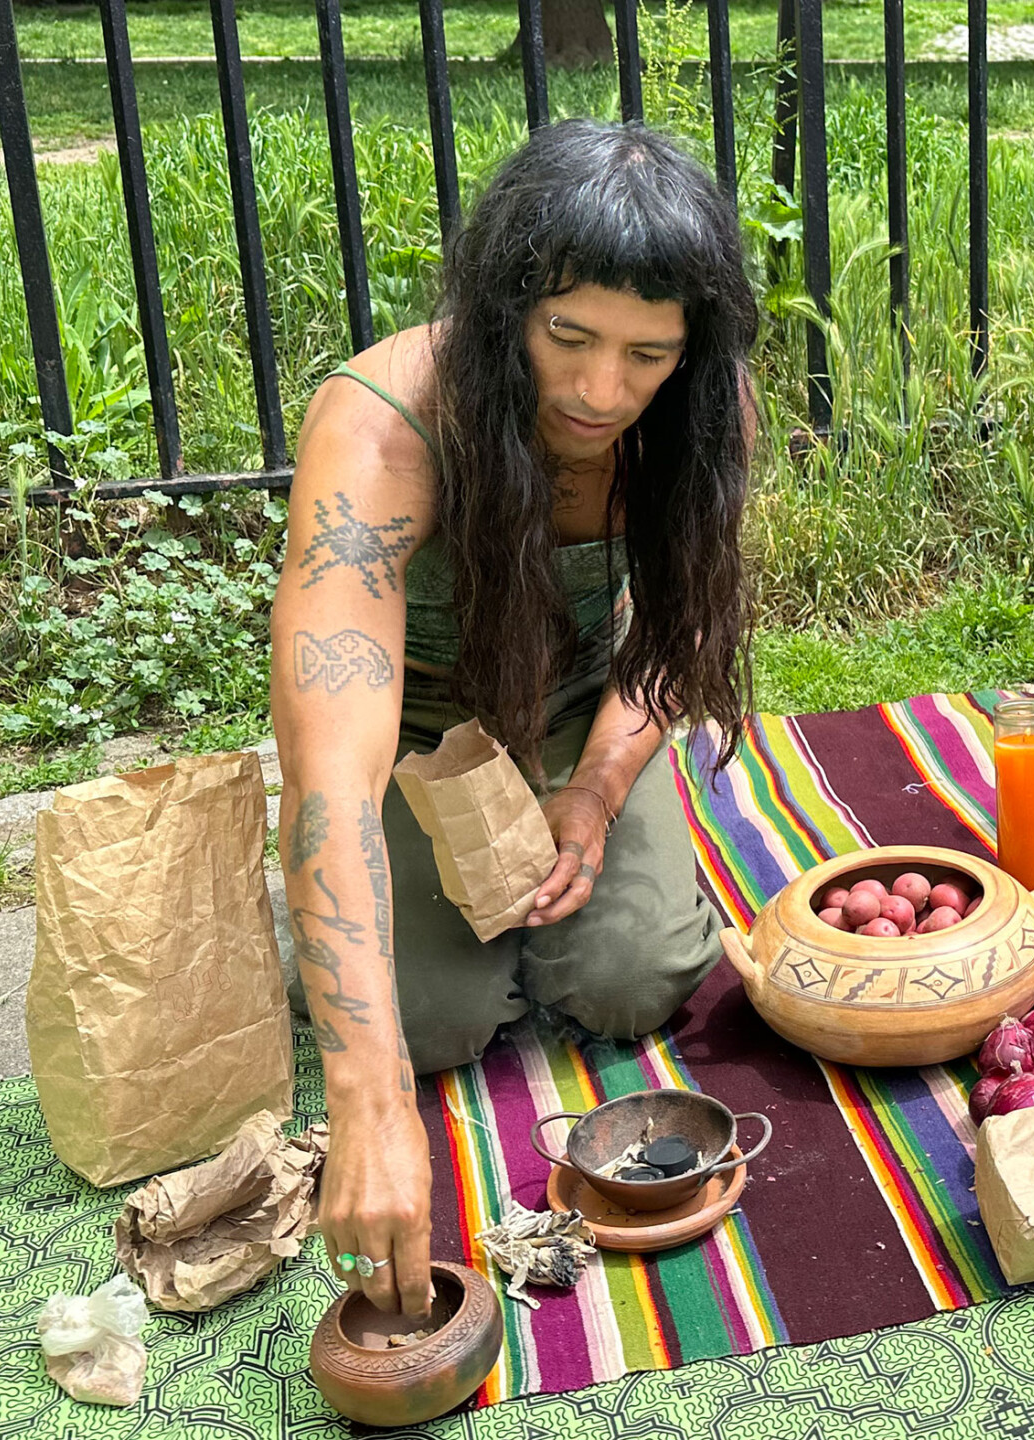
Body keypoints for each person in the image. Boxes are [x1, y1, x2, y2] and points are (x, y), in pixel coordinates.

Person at [269, 119, 756, 1323]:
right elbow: (331, 763)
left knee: (633, 979)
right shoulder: (381, 426)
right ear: (504, 309)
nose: (603, 392)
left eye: (648, 354)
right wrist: (369, 1100)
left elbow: (675, 630)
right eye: (569, 337)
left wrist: (592, 794)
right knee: (427, 1024)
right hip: (415, 729)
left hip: (588, 711)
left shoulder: (706, 409)